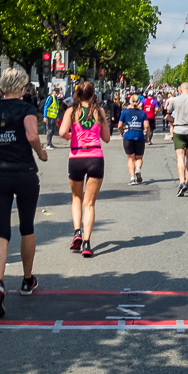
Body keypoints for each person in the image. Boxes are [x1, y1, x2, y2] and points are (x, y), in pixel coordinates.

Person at [0, 67, 48, 315]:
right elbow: (32, 135)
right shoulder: (27, 108)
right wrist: (41, 152)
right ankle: (27, 280)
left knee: (1, 231)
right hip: (24, 173)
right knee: (27, 227)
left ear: (2, 87)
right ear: (22, 87)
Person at [59, 81, 111, 257]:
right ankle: (87, 244)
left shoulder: (71, 111)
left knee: (76, 197)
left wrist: (71, 135)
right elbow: (106, 138)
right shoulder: (100, 112)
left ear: (78, 95)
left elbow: (61, 132)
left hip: (76, 156)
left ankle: (77, 233)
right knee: (89, 203)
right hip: (95, 157)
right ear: (92, 94)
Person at [118, 94, 149, 185]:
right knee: (139, 157)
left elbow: (120, 125)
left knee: (130, 158)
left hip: (128, 136)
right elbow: (146, 126)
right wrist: (146, 136)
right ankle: (138, 169)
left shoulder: (125, 112)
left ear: (130, 102)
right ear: (139, 102)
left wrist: (122, 132)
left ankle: (132, 179)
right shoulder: (142, 113)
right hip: (139, 135)